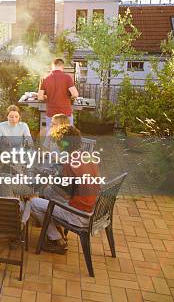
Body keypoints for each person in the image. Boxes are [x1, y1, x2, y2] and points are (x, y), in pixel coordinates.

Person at [31, 125, 101, 255]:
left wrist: (48, 181)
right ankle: (58, 230)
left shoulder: (70, 163)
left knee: (34, 203)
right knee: (48, 194)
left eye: (58, 143)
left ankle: (57, 239)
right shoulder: (89, 156)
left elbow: (66, 195)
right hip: (93, 210)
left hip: (79, 215)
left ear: (63, 144)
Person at [37, 58, 79, 135]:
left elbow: (40, 97)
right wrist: (70, 97)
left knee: (51, 137)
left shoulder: (44, 78)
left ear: (52, 66)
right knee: (68, 137)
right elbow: (75, 94)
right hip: (65, 113)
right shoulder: (67, 77)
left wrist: (47, 97)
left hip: (51, 114)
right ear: (62, 66)